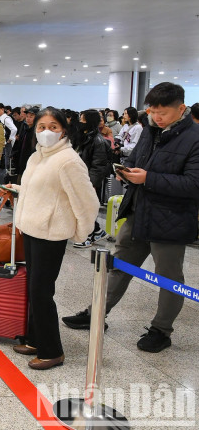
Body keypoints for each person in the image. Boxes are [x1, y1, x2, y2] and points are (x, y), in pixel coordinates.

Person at [64, 83, 199, 352]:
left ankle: (161, 329)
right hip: (137, 212)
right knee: (119, 266)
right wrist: (125, 172)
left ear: (181, 109)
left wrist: (148, 178)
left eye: (163, 112)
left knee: (168, 277)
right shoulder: (150, 132)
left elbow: (193, 184)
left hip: (170, 219)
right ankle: (97, 313)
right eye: (152, 111)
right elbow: (136, 159)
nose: (156, 117)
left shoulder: (194, 138)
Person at [6, 107, 98, 370]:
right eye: (41, 127)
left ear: (64, 130)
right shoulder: (38, 157)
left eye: (53, 127)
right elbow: (43, 190)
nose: (46, 132)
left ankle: (52, 350)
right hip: (33, 229)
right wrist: (19, 189)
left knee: (41, 292)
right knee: (34, 290)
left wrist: (80, 231)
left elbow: (87, 201)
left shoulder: (68, 160)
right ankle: (35, 339)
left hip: (51, 234)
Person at [73, 109, 111, 248]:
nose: (80, 122)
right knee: (81, 207)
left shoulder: (98, 141)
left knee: (86, 209)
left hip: (89, 180)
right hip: (80, 178)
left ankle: (86, 236)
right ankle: (97, 231)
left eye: (83, 120)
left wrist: (92, 183)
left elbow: (99, 165)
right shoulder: (83, 137)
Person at [0, 102, 18, 183]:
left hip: (6, 145)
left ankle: (3, 183)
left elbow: (14, 129)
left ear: (2, 109)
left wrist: (10, 139)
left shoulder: (5, 118)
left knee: (4, 165)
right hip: (2, 144)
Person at [15, 106, 39, 182]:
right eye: (27, 116)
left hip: (32, 164)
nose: (28, 118)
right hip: (22, 162)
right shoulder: (26, 129)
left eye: (31, 117)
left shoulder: (37, 132)